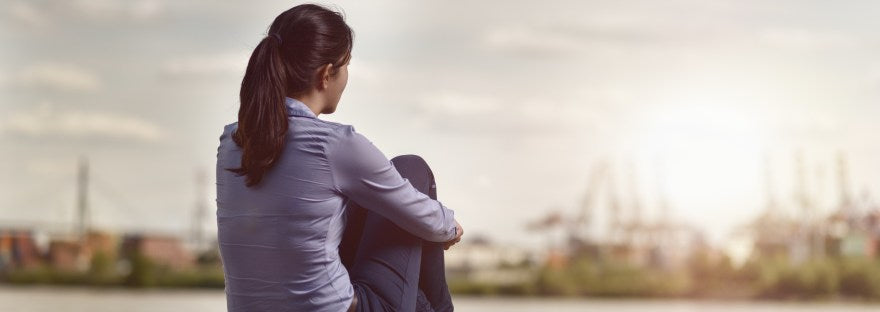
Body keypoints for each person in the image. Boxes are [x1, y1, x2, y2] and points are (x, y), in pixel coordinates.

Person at [215, 4, 464, 312]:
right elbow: (429, 221)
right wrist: (451, 227)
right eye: (345, 66)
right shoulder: (336, 145)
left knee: (353, 200)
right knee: (410, 167)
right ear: (325, 74)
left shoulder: (232, 141)